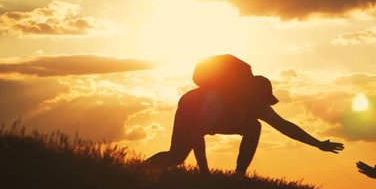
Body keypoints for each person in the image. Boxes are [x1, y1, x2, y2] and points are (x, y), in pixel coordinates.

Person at [146, 61, 343, 175]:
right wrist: (204, 172)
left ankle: (239, 175)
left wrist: (317, 144)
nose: (261, 103)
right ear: (248, 93)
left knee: (254, 127)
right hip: (192, 109)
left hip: (220, 121)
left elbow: (285, 127)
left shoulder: (259, 106)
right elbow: (197, 134)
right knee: (177, 157)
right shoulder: (215, 100)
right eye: (259, 99)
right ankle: (140, 169)